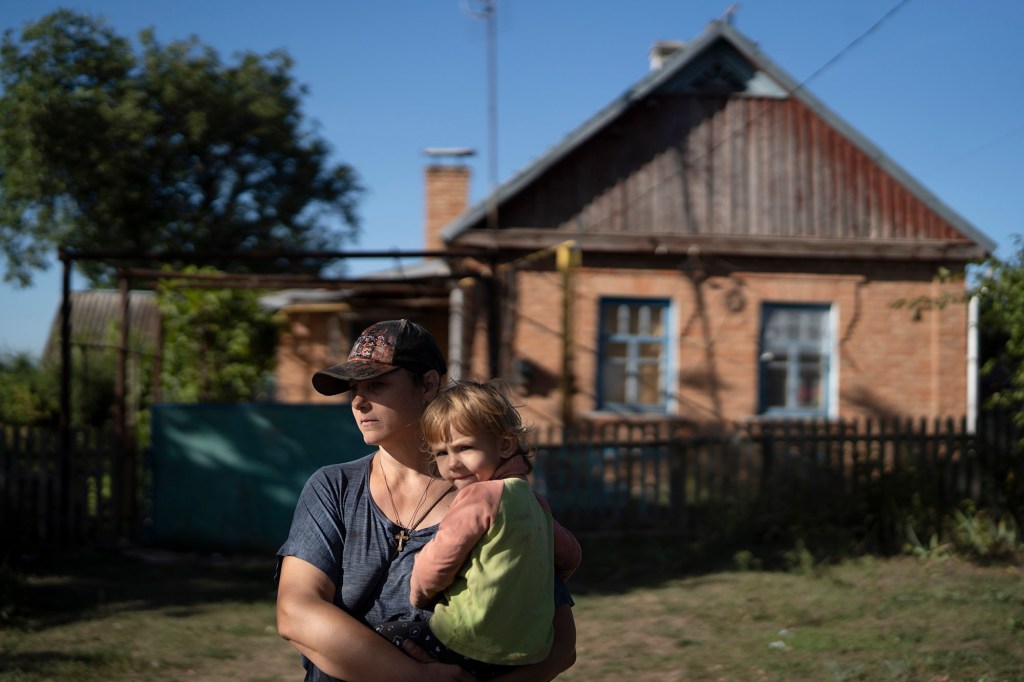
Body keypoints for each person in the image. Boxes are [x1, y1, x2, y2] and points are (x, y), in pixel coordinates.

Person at [275, 319, 577, 681]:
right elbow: (297, 611)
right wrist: (415, 677)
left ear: (429, 385)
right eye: (354, 388)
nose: (358, 401)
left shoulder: (496, 498)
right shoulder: (334, 487)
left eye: (377, 384)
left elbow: (560, 645)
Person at [374, 380, 582, 681]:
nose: (453, 464)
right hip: (527, 652)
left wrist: (419, 595)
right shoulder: (537, 505)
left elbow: (440, 561)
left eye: (464, 448)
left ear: (505, 445)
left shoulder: (479, 496)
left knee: (382, 636)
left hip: (466, 639)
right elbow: (571, 554)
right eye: (442, 453)